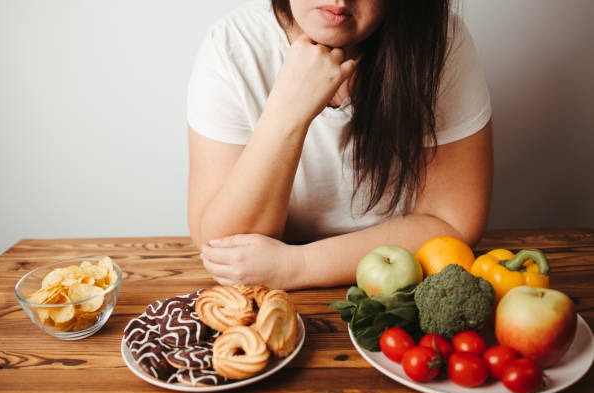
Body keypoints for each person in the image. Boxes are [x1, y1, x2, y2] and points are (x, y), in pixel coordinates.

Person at [186, 0, 493, 290]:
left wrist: (297, 265)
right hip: (267, 293)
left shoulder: (439, 40)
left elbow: (453, 223)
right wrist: (287, 114)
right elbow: (223, 250)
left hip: (398, 288)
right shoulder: (232, 47)